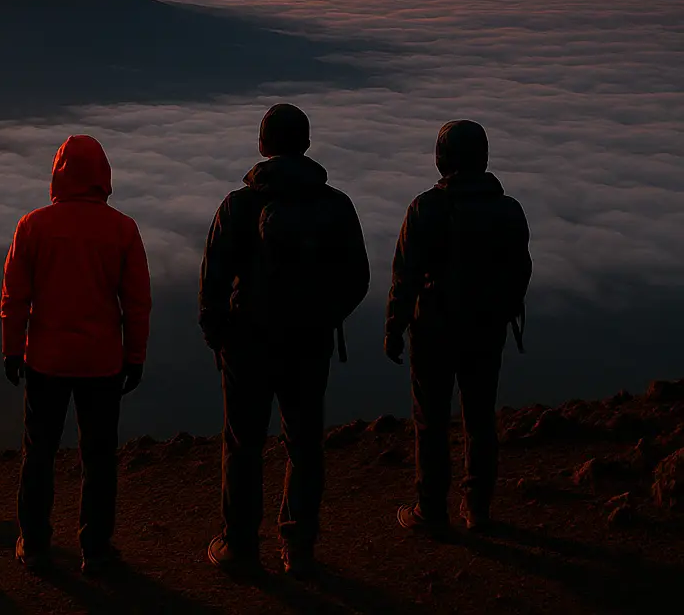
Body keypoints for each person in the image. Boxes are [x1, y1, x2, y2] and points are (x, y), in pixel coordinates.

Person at [199, 103, 370, 578]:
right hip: (308, 344)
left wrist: (219, 337)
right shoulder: (335, 205)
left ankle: (239, 545)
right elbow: (357, 277)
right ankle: (298, 546)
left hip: (247, 345)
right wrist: (322, 316)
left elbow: (212, 283)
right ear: (306, 143)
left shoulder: (238, 206)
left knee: (243, 443)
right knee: (305, 443)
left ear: (263, 145)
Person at [1, 134, 152, 576]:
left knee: (39, 454)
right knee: (99, 459)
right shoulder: (123, 229)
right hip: (102, 363)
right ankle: (97, 549)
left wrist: (12, 350)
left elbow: (15, 297)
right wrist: (135, 356)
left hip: (45, 361)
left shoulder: (32, 226)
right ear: (103, 175)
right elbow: (137, 303)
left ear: (58, 173)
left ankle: (33, 542)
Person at [385, 120, 531, 534]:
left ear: (442, 157)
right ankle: (477, 509)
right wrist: (503, 311)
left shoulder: (425, 208)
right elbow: (521, 270)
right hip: (486, 328)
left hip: (432, 329)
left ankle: (430, 510)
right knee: (480, 417)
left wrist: (394, 327)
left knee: (430, 420)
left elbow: (405, 277)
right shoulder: (508, 210)